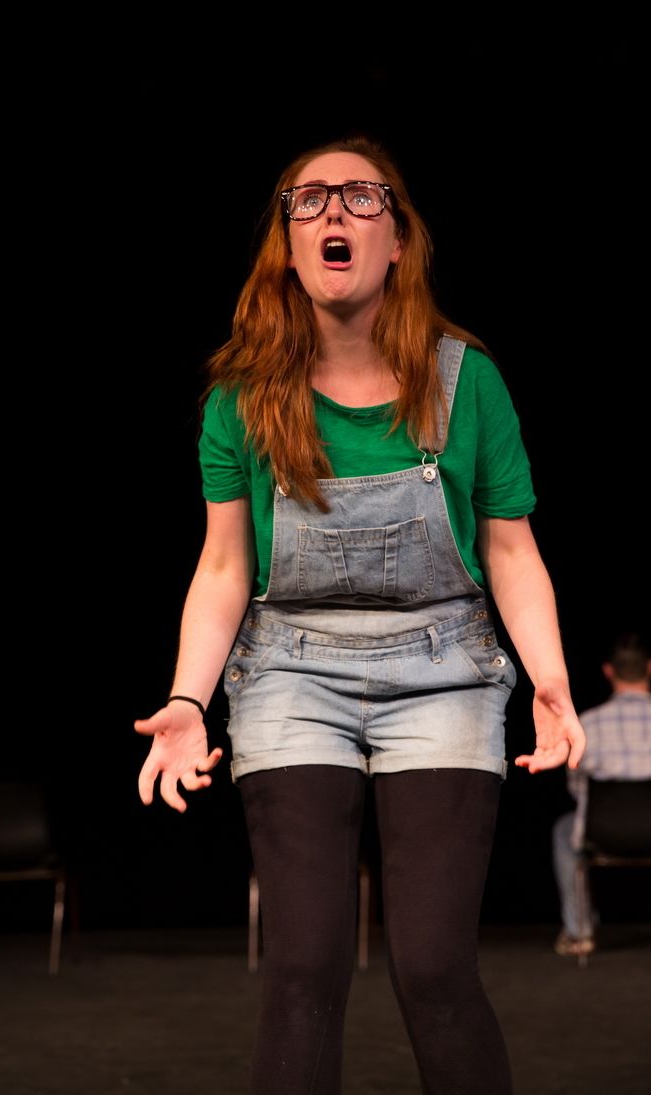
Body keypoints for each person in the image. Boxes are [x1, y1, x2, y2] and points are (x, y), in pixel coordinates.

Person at [134, 134, 586, 1095]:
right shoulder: (242, 400)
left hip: (446, 669)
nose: (333, 210)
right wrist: (187, 697)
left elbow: (511, 550)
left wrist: (549, 680)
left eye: (360, 196)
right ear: (287, 247)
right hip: (292, 672)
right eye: (308, 200)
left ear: (398, 239)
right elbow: (223, 565)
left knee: (433, 968)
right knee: (303, 971)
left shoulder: (469, 383)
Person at [552, 631, 651, 957]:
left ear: (609, 671)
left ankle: (580, 934)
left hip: (602, 833)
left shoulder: (585, 725)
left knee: (563, 831)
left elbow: (576, 791)